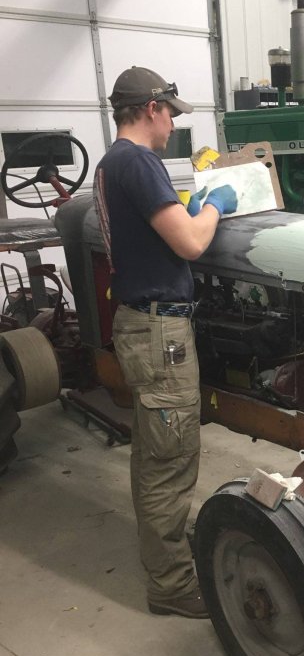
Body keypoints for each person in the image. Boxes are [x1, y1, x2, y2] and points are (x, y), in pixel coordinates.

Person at [93, 66, 237, 618]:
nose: (174, 124)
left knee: (154, 453)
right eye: (171, 113)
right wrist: (214, 206)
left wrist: (190, 209)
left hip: (140, 324)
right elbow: (192, 244)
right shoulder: (137, 162)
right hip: (159, 333)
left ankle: (163, 557)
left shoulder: (111, 164)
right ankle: (172, 585)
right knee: (170, 460)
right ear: (151, 108)